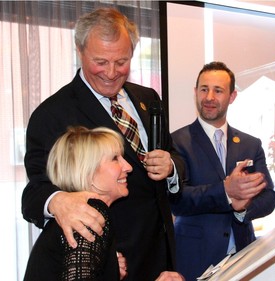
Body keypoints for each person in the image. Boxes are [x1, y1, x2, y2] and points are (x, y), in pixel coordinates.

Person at [22, 8, 184, 281]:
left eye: (121, 61)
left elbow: (171, 154)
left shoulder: (148, 97)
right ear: (79, 51)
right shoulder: (52, 114)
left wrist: (172, 167)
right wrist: (58, 201)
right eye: (100, 61)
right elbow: (34, 192)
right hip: (106, 260)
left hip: (159, 255)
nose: (111, 72)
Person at [170, 61, 275, 281]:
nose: (209, 97)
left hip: (242, 257)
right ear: (195, 92)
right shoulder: (176, 142)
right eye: (204, 89)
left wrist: (242, 209)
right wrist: (227, 192)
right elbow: (178, 199)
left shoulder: (250, 144)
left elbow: (270, 197)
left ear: (232, 96)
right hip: (195, 259)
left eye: (218, 90)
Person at [24, 126, 131, 280]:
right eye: (115, 159)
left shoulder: (79, 214)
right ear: (88, 171)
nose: (128, 167)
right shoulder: (88, 213)